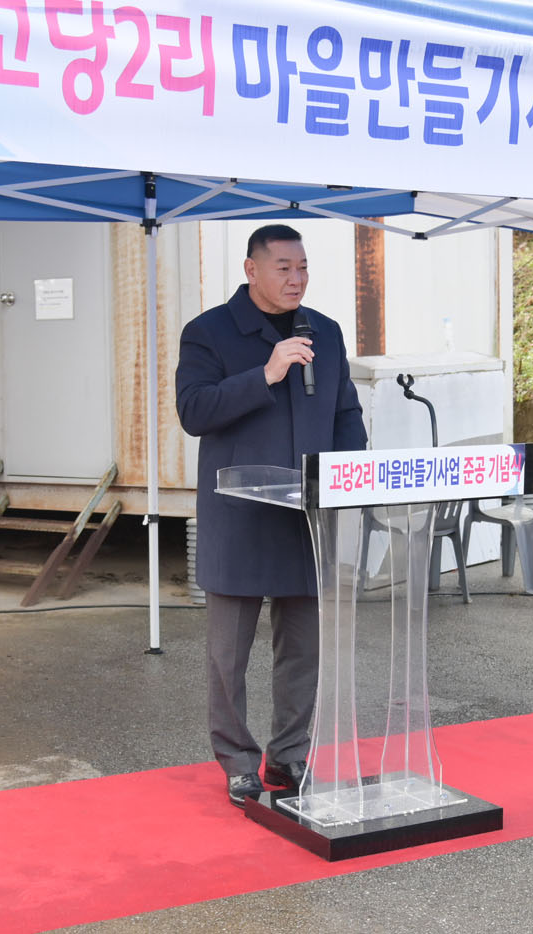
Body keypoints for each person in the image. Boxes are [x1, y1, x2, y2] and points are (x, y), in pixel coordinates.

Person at [175, 224, 367, 807]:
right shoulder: (209, 331)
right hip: (240, 516)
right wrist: (265, 373)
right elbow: (194, 411)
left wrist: (347, 478)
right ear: (251, 269)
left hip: (305, 516)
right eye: (283, 267)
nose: (296, 278)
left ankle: (289, 754)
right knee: (229, 654)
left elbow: (346, 414)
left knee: (303, 649)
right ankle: (238, 761)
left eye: (303, 267)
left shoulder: (324, 332)